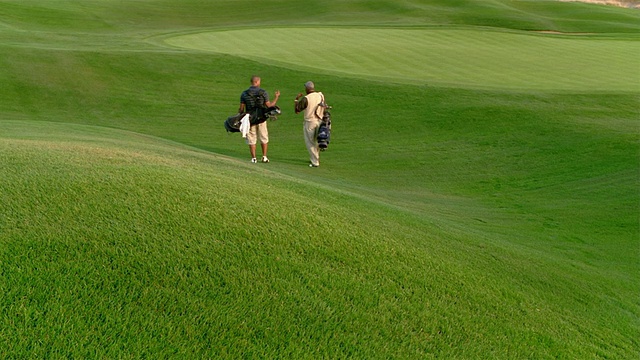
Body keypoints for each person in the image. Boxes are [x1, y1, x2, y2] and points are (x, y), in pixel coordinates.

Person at [239, 75, 280, 163]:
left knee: (251, 138)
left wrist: (240, 118)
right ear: (257, 82)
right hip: (261, 118)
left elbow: (241, 109)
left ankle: (254, 158)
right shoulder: (263, 92)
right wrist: (276, 97)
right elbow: (270, 106)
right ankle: (264, 157)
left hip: (250, 118)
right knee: (263, 137)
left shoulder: (244, 94)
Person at [294, 81, 326, 167]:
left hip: (310, 122)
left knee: (310, 142)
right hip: (320, 120)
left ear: (307, 88)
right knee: (317, 141)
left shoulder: (306, 98)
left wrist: (296, 100)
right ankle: (316, 157)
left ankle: (315, 162)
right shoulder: (320, 95)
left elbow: (297, 110)